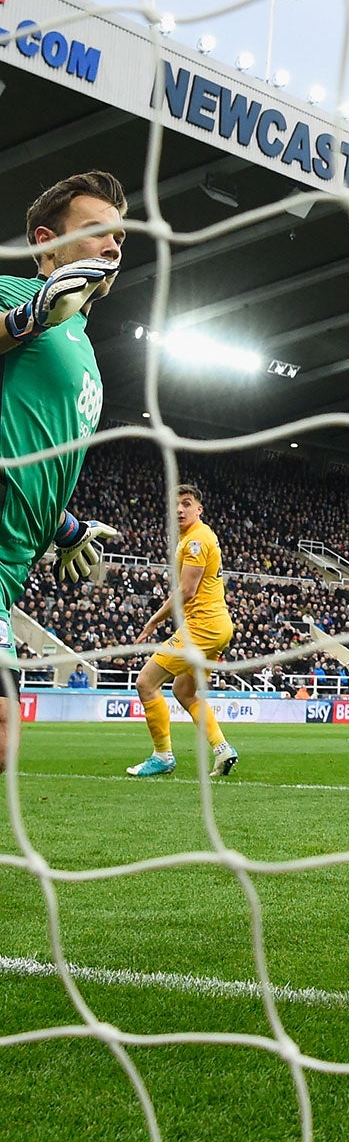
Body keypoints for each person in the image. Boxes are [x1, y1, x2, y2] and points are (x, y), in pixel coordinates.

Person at [0, 172, 124, 773]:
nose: (114, 245)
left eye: (120, 237)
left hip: (10, 568)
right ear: (48, 245)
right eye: (97, 231)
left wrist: (65, 527)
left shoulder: (84, 350)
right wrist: (30, 316)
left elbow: (28, 443)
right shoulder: (12, 292)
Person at [127, 485, 239, 779]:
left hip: (203, 626)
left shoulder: (196, 540)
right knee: (184, 691)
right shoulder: (194, 537)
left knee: (146, 682)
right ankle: (222, 748)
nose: (180, 509)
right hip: (217, 627)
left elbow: (187, 590)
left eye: (187, 504)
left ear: (199, 509)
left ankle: (162, 756)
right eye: (175, 504)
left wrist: (154, 621)